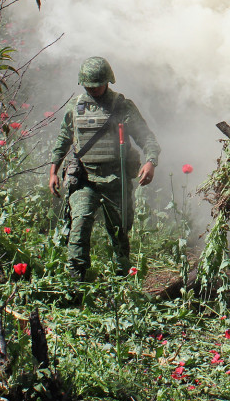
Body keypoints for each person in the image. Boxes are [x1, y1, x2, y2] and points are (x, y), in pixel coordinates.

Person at [48, 56, 160, 280]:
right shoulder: (76, 107)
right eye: (90, 85)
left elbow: (146, 138)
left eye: (98, 84)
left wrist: (151, 161)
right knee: (78, 229)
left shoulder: (122, 106)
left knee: (119, 234)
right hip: (85, 179)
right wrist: (53, 170)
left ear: (108, 81)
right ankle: (76, 282)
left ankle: (122, 280)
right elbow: (63, 139)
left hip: (115, 179)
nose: (94, 89)